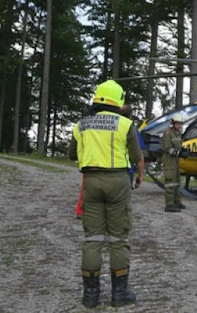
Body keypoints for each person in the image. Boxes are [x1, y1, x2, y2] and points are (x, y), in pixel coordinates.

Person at [68, 79, 144, 308]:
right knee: (119, 238)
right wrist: (139, 174)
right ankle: (119, 294)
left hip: (91, 182)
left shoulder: (81, 125)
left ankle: (90, 295)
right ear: (118, 100)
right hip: (118, 182)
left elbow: (72, 154)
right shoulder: (125, 124)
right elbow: (135, 155)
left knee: (92, 238)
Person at [161, 112, 188, 212]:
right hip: (169, 159)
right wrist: (178, 153)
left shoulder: (178, 133)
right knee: (170, 181)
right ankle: (169, 204)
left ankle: (177, 201)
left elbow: (178, 146)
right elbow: (167, 147)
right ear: (173, 123)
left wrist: (183, 150)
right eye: (177, 123)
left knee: (176, 180)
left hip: (175, 160)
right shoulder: (168, 133)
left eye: (181, 123)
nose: (179, 125)